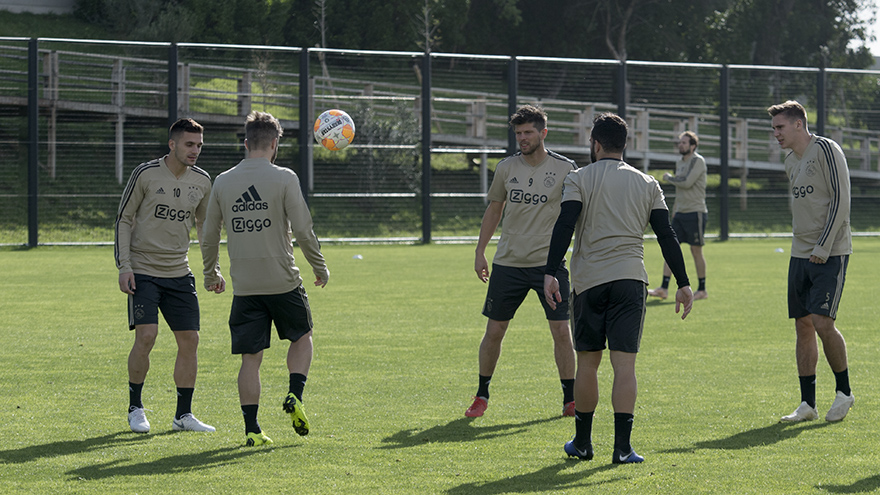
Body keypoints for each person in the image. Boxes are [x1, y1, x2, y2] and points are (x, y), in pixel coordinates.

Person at [543, 112, 693, 464]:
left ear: (595, 144)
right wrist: (683, 283)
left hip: (589, 281)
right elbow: (666, 235)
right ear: (625, 145)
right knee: (625, 366)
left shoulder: (579, 177)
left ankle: (582, 443)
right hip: (630, 280)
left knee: (588, 364)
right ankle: (623, 449)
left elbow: (565, 224)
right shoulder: (648, 183)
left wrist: (550, 271)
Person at [201, 111, 329, 446]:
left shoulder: (222, 181)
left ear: (246, 143)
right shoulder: (284, 177)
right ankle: (294, 393)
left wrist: (211, 272)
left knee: (251, 359)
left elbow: (209, 235)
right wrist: (319, 267)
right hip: (283, 281)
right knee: (302, 336)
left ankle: (252, 430)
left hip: (245, 286)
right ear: (274, 144)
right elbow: (303, 230)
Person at [465, 104, 578, 419]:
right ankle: (481, 395)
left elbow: (577, 216)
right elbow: (494, 210)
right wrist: (480, 251)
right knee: (494, 330)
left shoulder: (567, 169)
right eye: (518, 133)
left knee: (561, 331)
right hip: (508, 263)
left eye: (528, 132)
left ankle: (570, 400)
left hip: (549, 266)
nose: (523, 138)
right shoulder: (506, 168)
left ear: (543, 133)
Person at [114, 118, 216, 434]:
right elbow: (124, 219)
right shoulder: (145, 174)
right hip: (143, 270)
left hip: (179, 272)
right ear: (172, 144)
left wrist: (212, 269)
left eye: (199, 145)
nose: (195, 150)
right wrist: (125, 266)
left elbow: (205, 226)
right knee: (146, 336)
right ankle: (135, 408)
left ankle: (183, 415)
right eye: (189, 144)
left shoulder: (202, 181)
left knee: (190, 340)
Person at [768, 100, 854, 423]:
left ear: (798, 124)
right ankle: (807, 404)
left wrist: (823, 245)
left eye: (780, 127)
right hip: (800, 254)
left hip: (830, 251)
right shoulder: (790, 161)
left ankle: (844, 392)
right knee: (802, 324)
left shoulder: (826, 150)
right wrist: (803, 247)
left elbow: (841, 199)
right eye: (774, 128)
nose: (776, 133)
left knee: (822, 322)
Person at [648, 131, 708, 300]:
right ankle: (664, 288)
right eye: (680, 142)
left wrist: (669, 178)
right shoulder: (680, 162)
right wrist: (674, 210)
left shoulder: (698, 161)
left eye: (684, 142)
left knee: (696, 250)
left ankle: (702, 289)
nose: (680, 145)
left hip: (695, 212)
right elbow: (680, 189)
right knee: (671, 248)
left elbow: (686, 183)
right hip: (680, 213)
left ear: (693, 146)